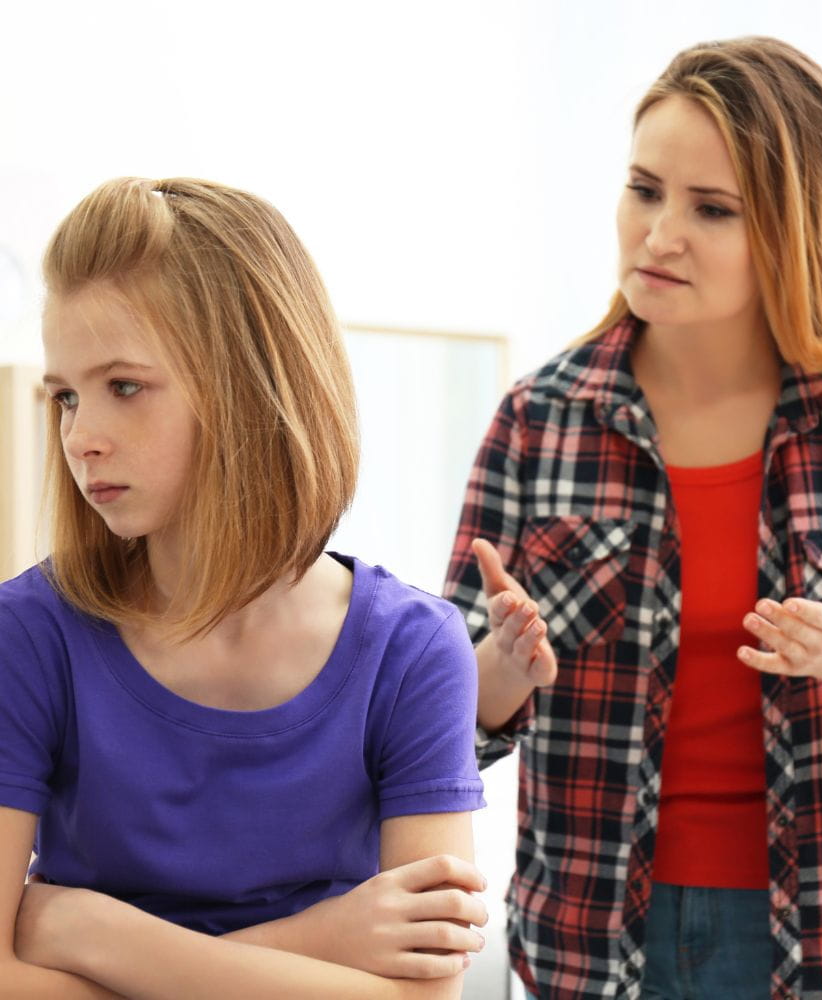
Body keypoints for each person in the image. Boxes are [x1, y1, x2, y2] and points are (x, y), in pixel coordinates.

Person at [444, 36, 822, 1000]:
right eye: (644, 189)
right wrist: (498, 671)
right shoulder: (537, 421)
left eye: (712, 209)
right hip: (590, 942)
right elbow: (439, 723)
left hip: (816, 944)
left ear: (794, 230)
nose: (659, 235)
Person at [0, 177, 489, 999]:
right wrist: (324, 942)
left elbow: (425, 996)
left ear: (251, 386)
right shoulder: (29, 636)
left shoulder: (414, 652)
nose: (81, 437)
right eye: (66, 397)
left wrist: (85, 929)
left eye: (124, 387)